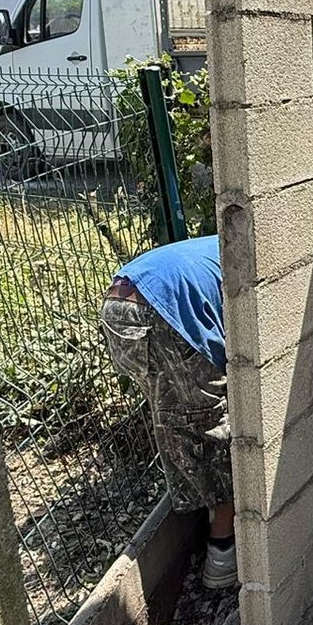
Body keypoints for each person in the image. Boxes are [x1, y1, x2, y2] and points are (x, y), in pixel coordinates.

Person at [101, 235, 236, 589]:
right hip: (163, 311)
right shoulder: (253, 254)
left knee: (175, 417)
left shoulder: (220, 238)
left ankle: (204, 512)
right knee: (213, 429)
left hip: (118, 305)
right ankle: (223, 553)